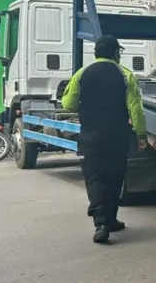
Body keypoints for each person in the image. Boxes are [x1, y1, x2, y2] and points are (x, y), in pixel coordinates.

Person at [60, 35, 147, 243]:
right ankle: (111, 219)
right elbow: (136, 108)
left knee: (95, 178)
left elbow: (68, 104)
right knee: (115, 176)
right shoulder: (125, 75)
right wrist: (141, 134)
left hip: (91, 136)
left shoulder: (82, 74)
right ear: (116, 53)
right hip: (117, 136)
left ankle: (102, 223)